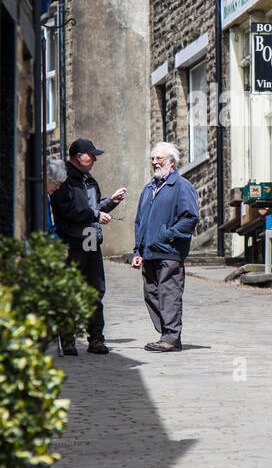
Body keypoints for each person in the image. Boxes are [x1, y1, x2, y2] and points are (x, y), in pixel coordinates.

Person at [50, 138, 126, 355]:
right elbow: (68, 210)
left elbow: (93, 208)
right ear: (77, 157)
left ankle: (96, 339)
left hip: (91, 239)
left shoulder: (89, 180)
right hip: (72, 241)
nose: (94, 159)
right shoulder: (63, 179)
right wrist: (94, 214)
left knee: (95, 290)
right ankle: (68, 339)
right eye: (90, 155)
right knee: (71, 290)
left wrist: (111, 202)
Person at [132, 142, 199, 352]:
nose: (155, 162)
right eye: (152, 159)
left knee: (168, 293)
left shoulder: (181, 186)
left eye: (159, 158)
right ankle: (167, 333)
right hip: (149, 251)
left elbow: (190, 217)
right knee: (151, 293)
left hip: (170, 251)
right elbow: (140, 221)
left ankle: (171, 337)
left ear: (171, 161)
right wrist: (138, 250)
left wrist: (169, 235)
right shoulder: (149, 188)